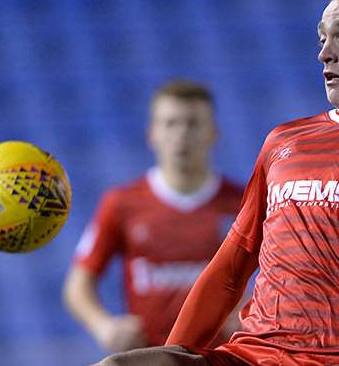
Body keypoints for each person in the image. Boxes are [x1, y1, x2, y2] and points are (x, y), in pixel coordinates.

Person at [92, 0, 339, 366]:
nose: (325, 54)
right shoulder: (285, 140)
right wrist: (176, 355)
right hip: (249, 354)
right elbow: (231, 267)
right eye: (322, 40)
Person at [63, 80, 244, 353]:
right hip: (148, 356)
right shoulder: (122, 203)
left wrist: (253, 313)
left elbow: (285, 273)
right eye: (171, 124)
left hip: (219, 357)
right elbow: (77, 286)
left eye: (193, 123)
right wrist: (105, 326)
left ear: (213, 132)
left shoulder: (243, 202)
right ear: (152, 133)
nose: (182, 134)